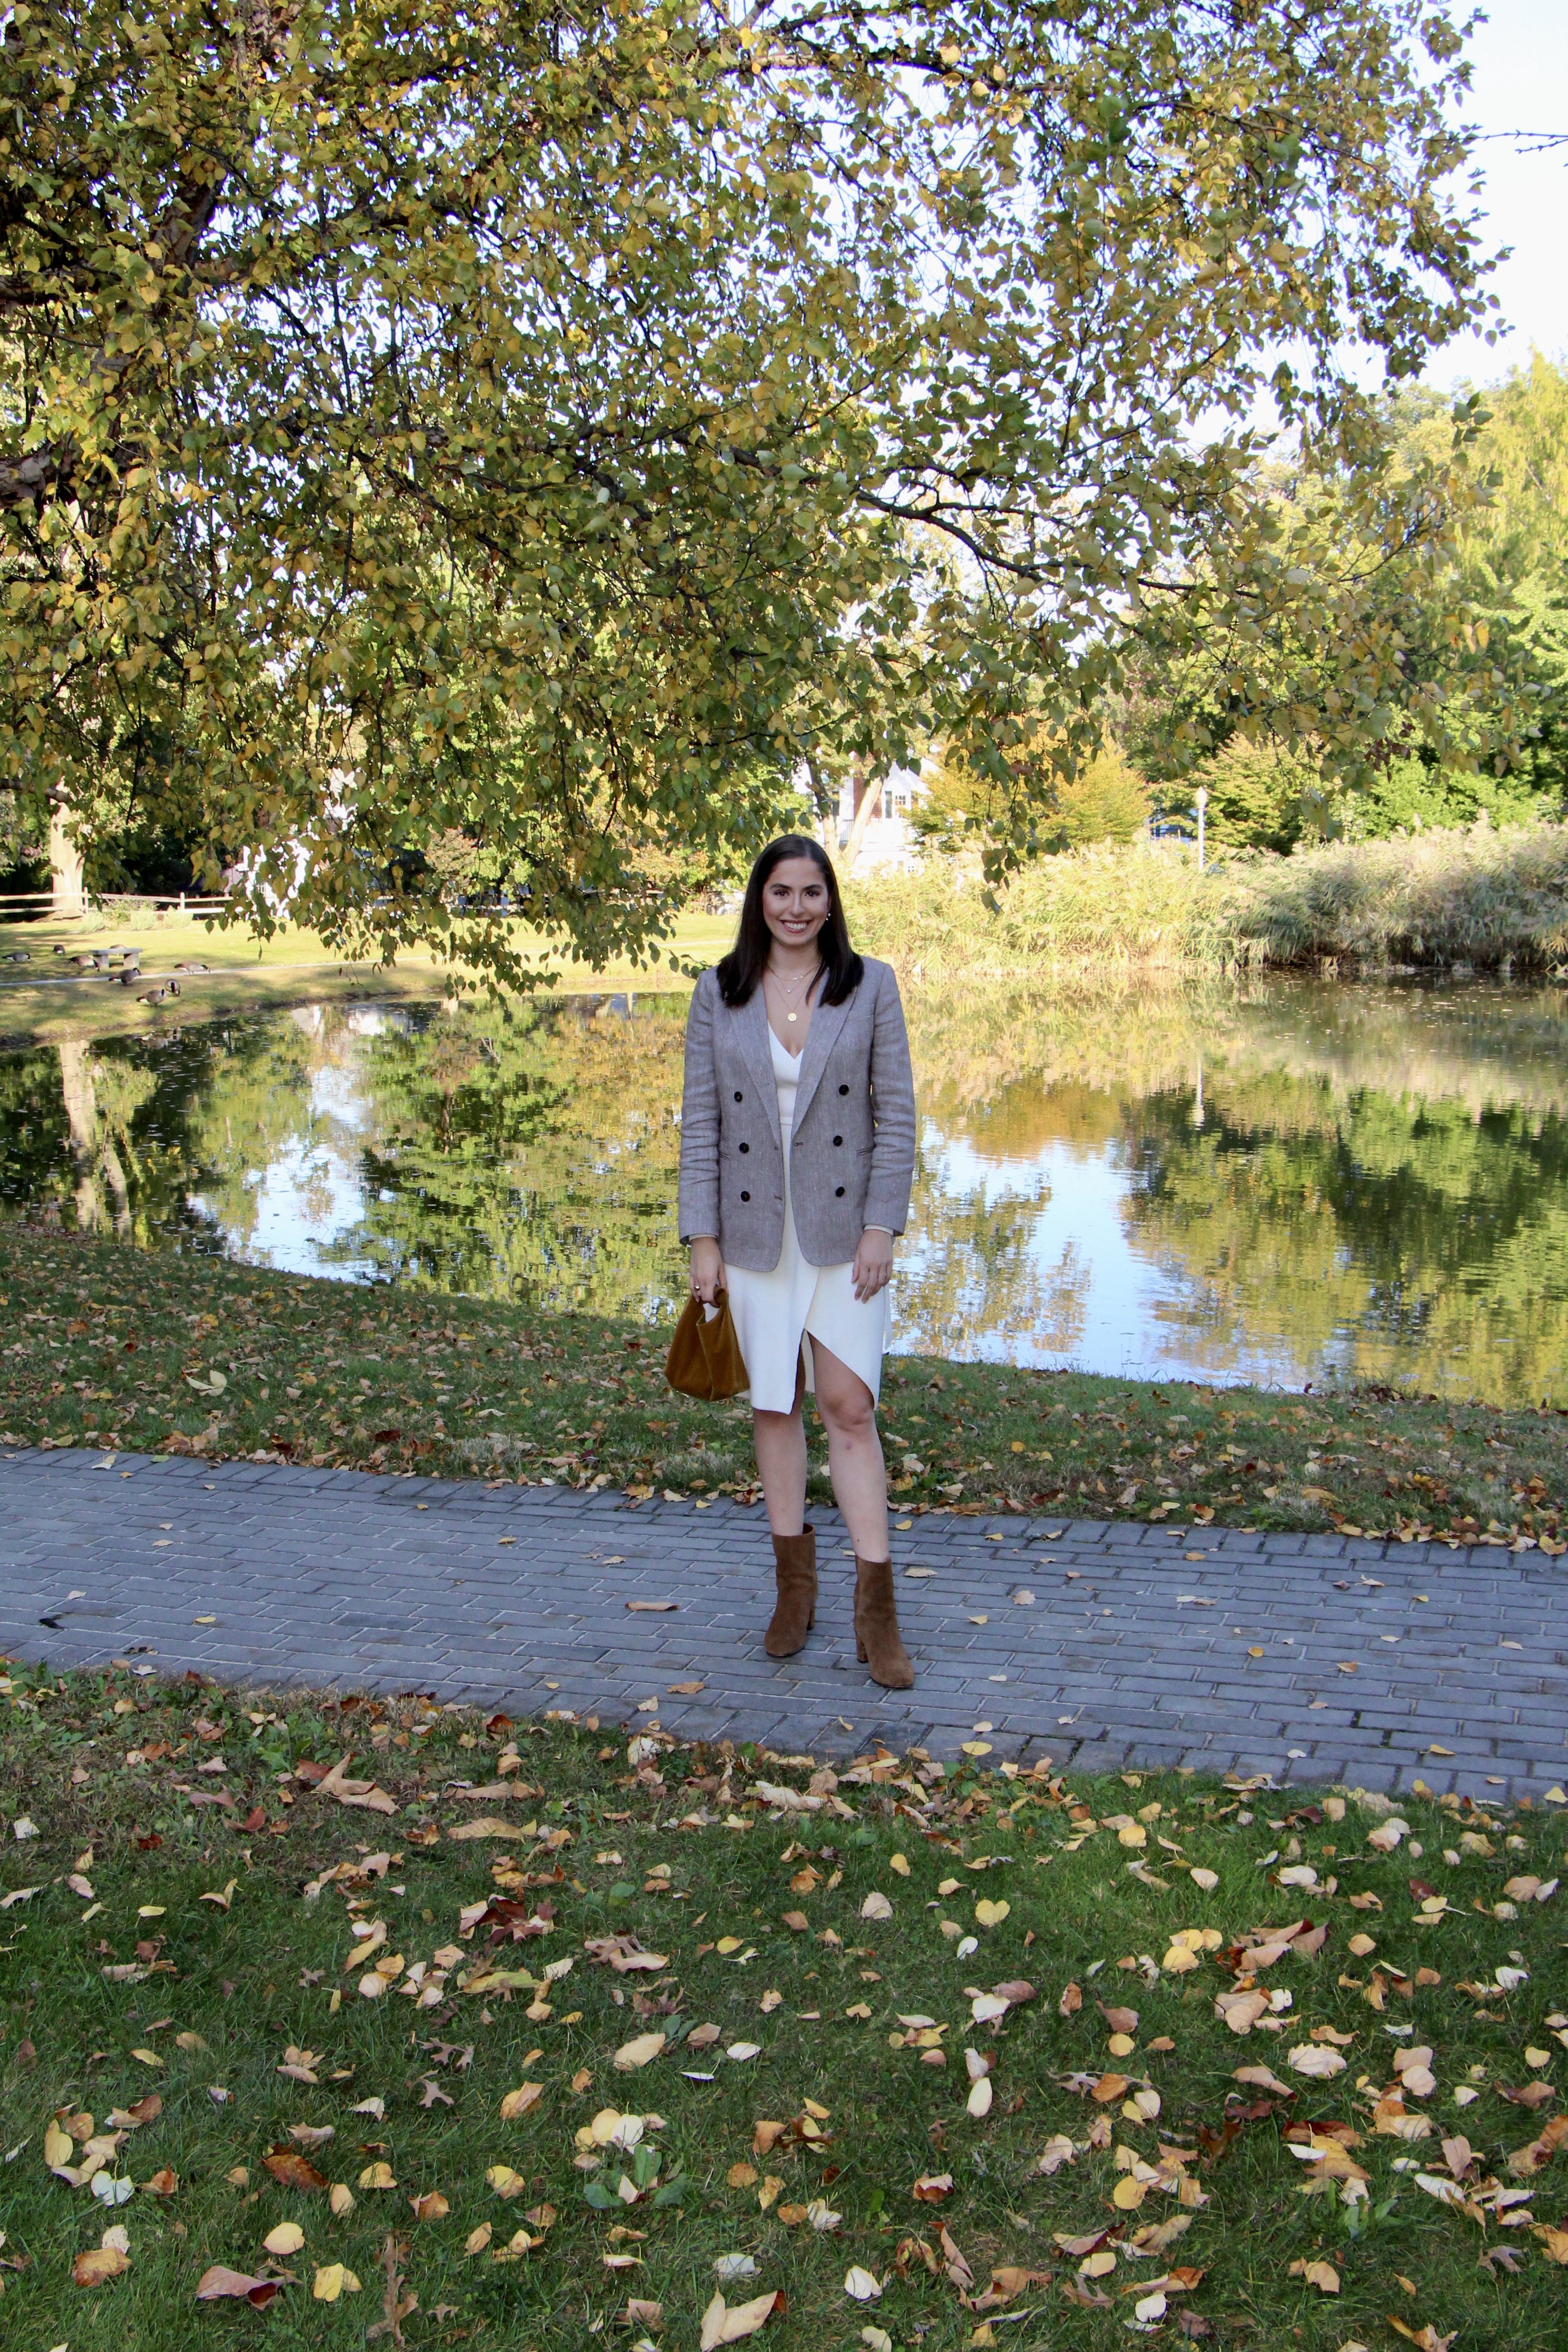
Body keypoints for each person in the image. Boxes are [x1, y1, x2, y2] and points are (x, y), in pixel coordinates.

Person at [678, 834, 918, 1686]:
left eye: (812, 892)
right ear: (760, 900)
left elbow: (898, 1118)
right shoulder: (720, 991)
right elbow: (699, 1123)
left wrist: (883, 1227)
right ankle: (793, 1591)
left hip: (845, 1233)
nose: (796, 908)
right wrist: (702, 1239)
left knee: (848, 1406)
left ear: (831, 901)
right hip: (751, 1237)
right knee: (774, 1406)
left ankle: (876, 1607)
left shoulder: (871, 986)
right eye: (781, 892)